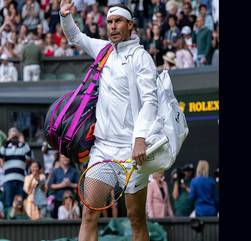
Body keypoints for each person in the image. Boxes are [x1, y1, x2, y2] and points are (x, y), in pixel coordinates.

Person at [60, 2, 159, 240]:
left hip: (132, 153)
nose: (113, 26)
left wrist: (140, 138)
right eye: (110, 22)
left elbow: (150, 101)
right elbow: (76, 36)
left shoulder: (141, 57)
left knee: (136, 220)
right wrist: (65, 16)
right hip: (103, 150)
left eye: (119, 21)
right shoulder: (104, 50)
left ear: (130, 25)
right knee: (89, 214)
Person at [0, 127, 32, 208]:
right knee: (9, 203)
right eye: (12, 133)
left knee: (20, 204)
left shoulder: (23, 147)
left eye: (15, 133)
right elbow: (1, 155)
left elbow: (28, 156)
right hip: (8, 180)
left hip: (20, 180)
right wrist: (8, 140)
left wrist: (21, 141)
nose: (14, 136)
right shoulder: (5, 147)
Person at [48, 153, 78, 219]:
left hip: (70, 200)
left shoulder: (74, 171)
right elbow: (50, 185)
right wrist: (62, 185)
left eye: (67, 156)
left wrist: (70, 184)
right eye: (62, 157)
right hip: (58, 199)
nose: (65, 158)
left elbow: (79, 185)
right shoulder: (55, 171)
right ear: (59, 159)